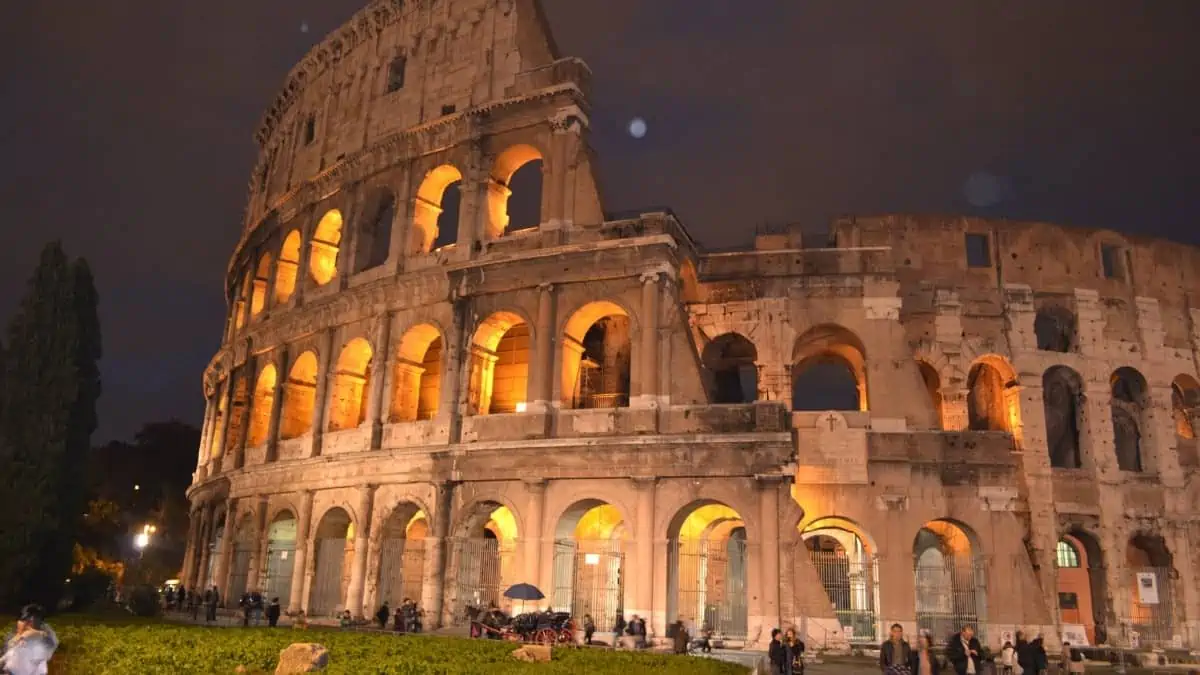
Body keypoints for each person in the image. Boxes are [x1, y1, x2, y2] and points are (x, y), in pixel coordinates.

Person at [1, 604, 58, 675]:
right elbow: (6, 653)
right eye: (24, 620)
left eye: (32, 620)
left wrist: (38, 634)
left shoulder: (43, 632)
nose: (27, 624)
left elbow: (52, 644)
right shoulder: (14, 632)